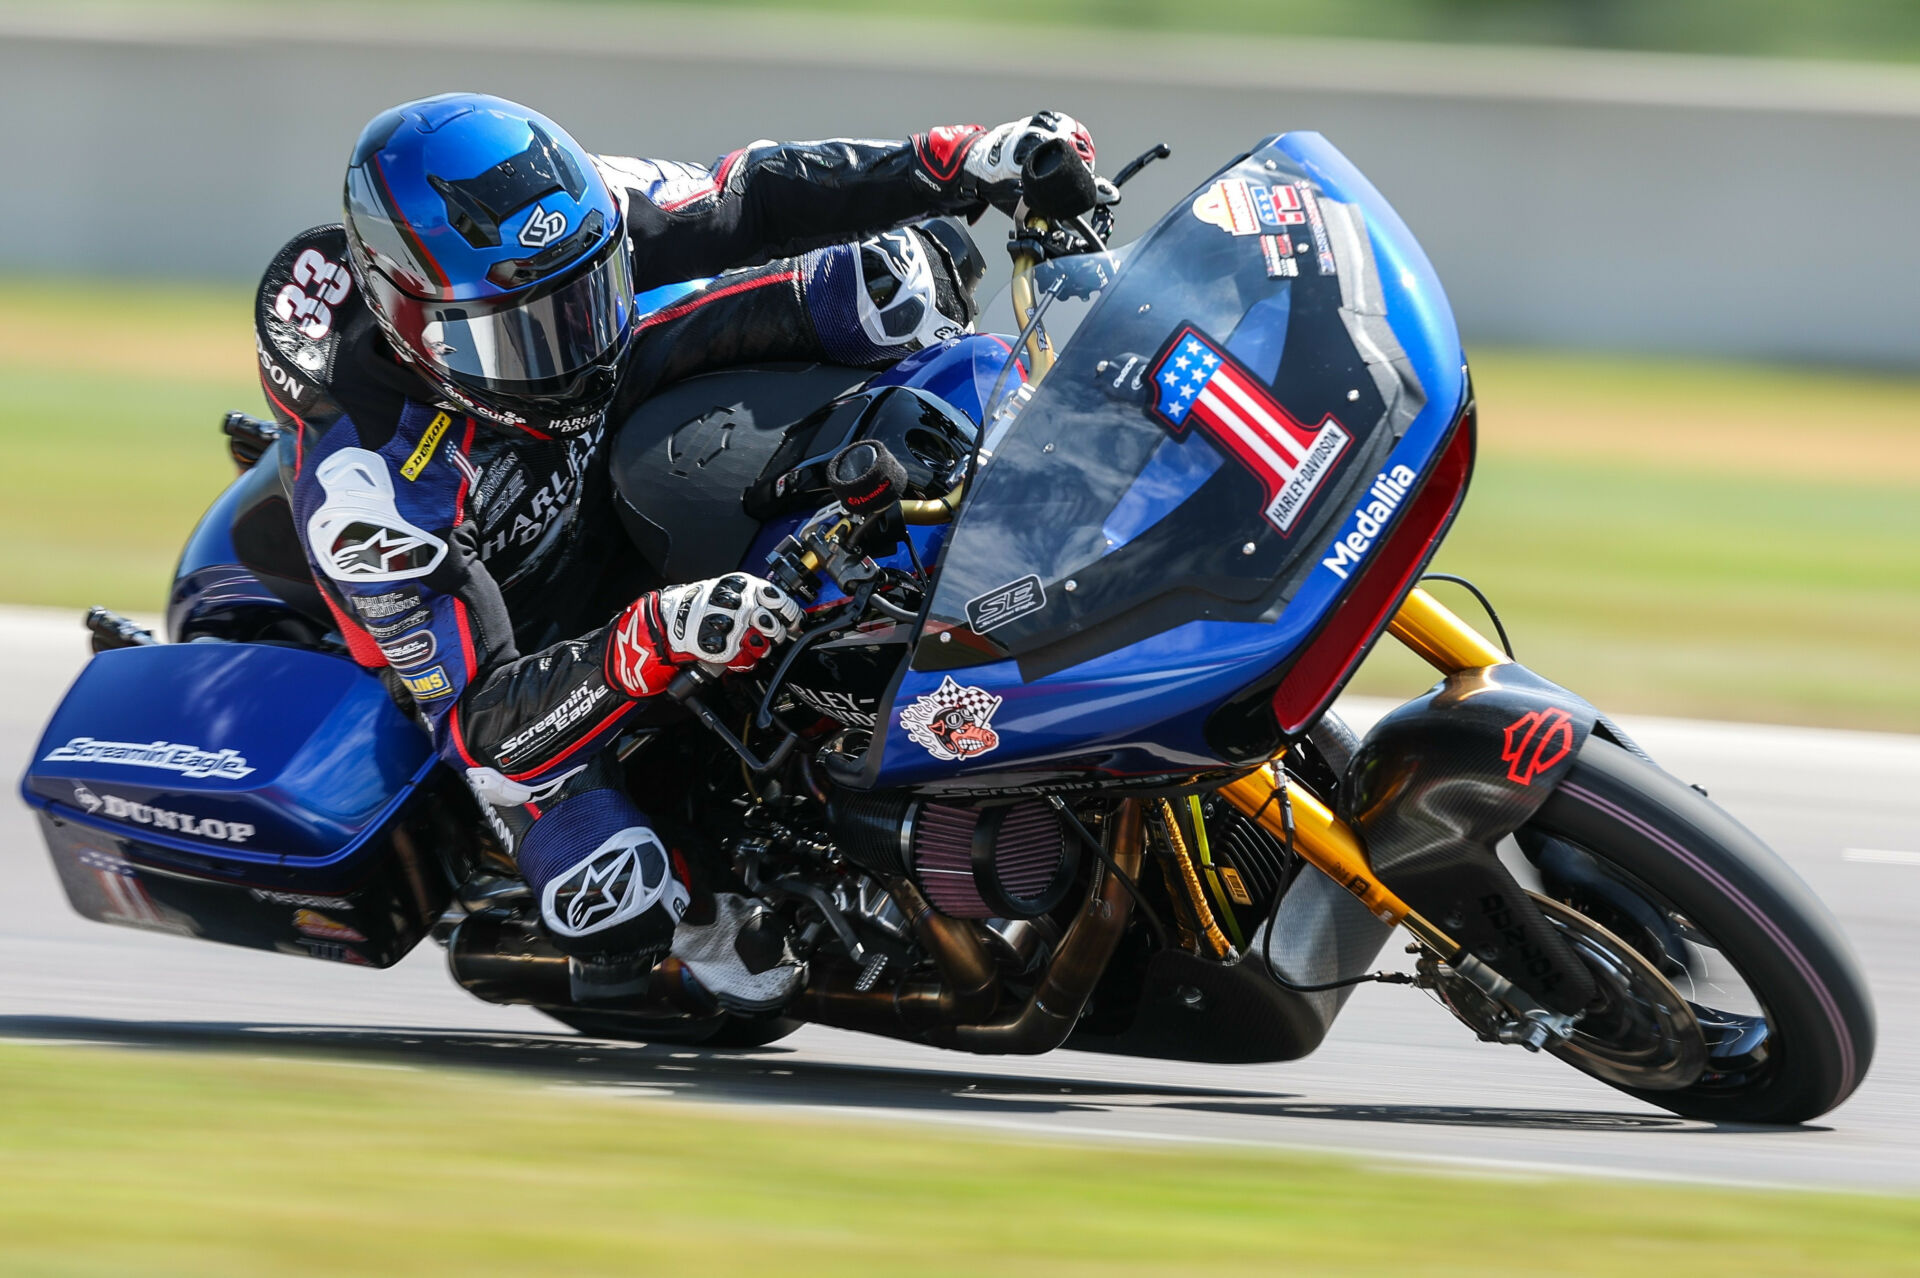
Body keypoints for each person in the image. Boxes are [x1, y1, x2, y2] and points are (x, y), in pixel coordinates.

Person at [251, 93, 1097, 1012]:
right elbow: (480, 723)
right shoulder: (367, 498)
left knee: (885, 287)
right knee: (614, 889)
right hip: (517, 625)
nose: (569, 350)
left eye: (585, 297)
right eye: (523, 335)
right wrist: (644, 642)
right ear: (414, 325)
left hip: (598, 425)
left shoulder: (581, 215)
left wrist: (964, 159)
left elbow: (753, 195)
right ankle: (698, 908)